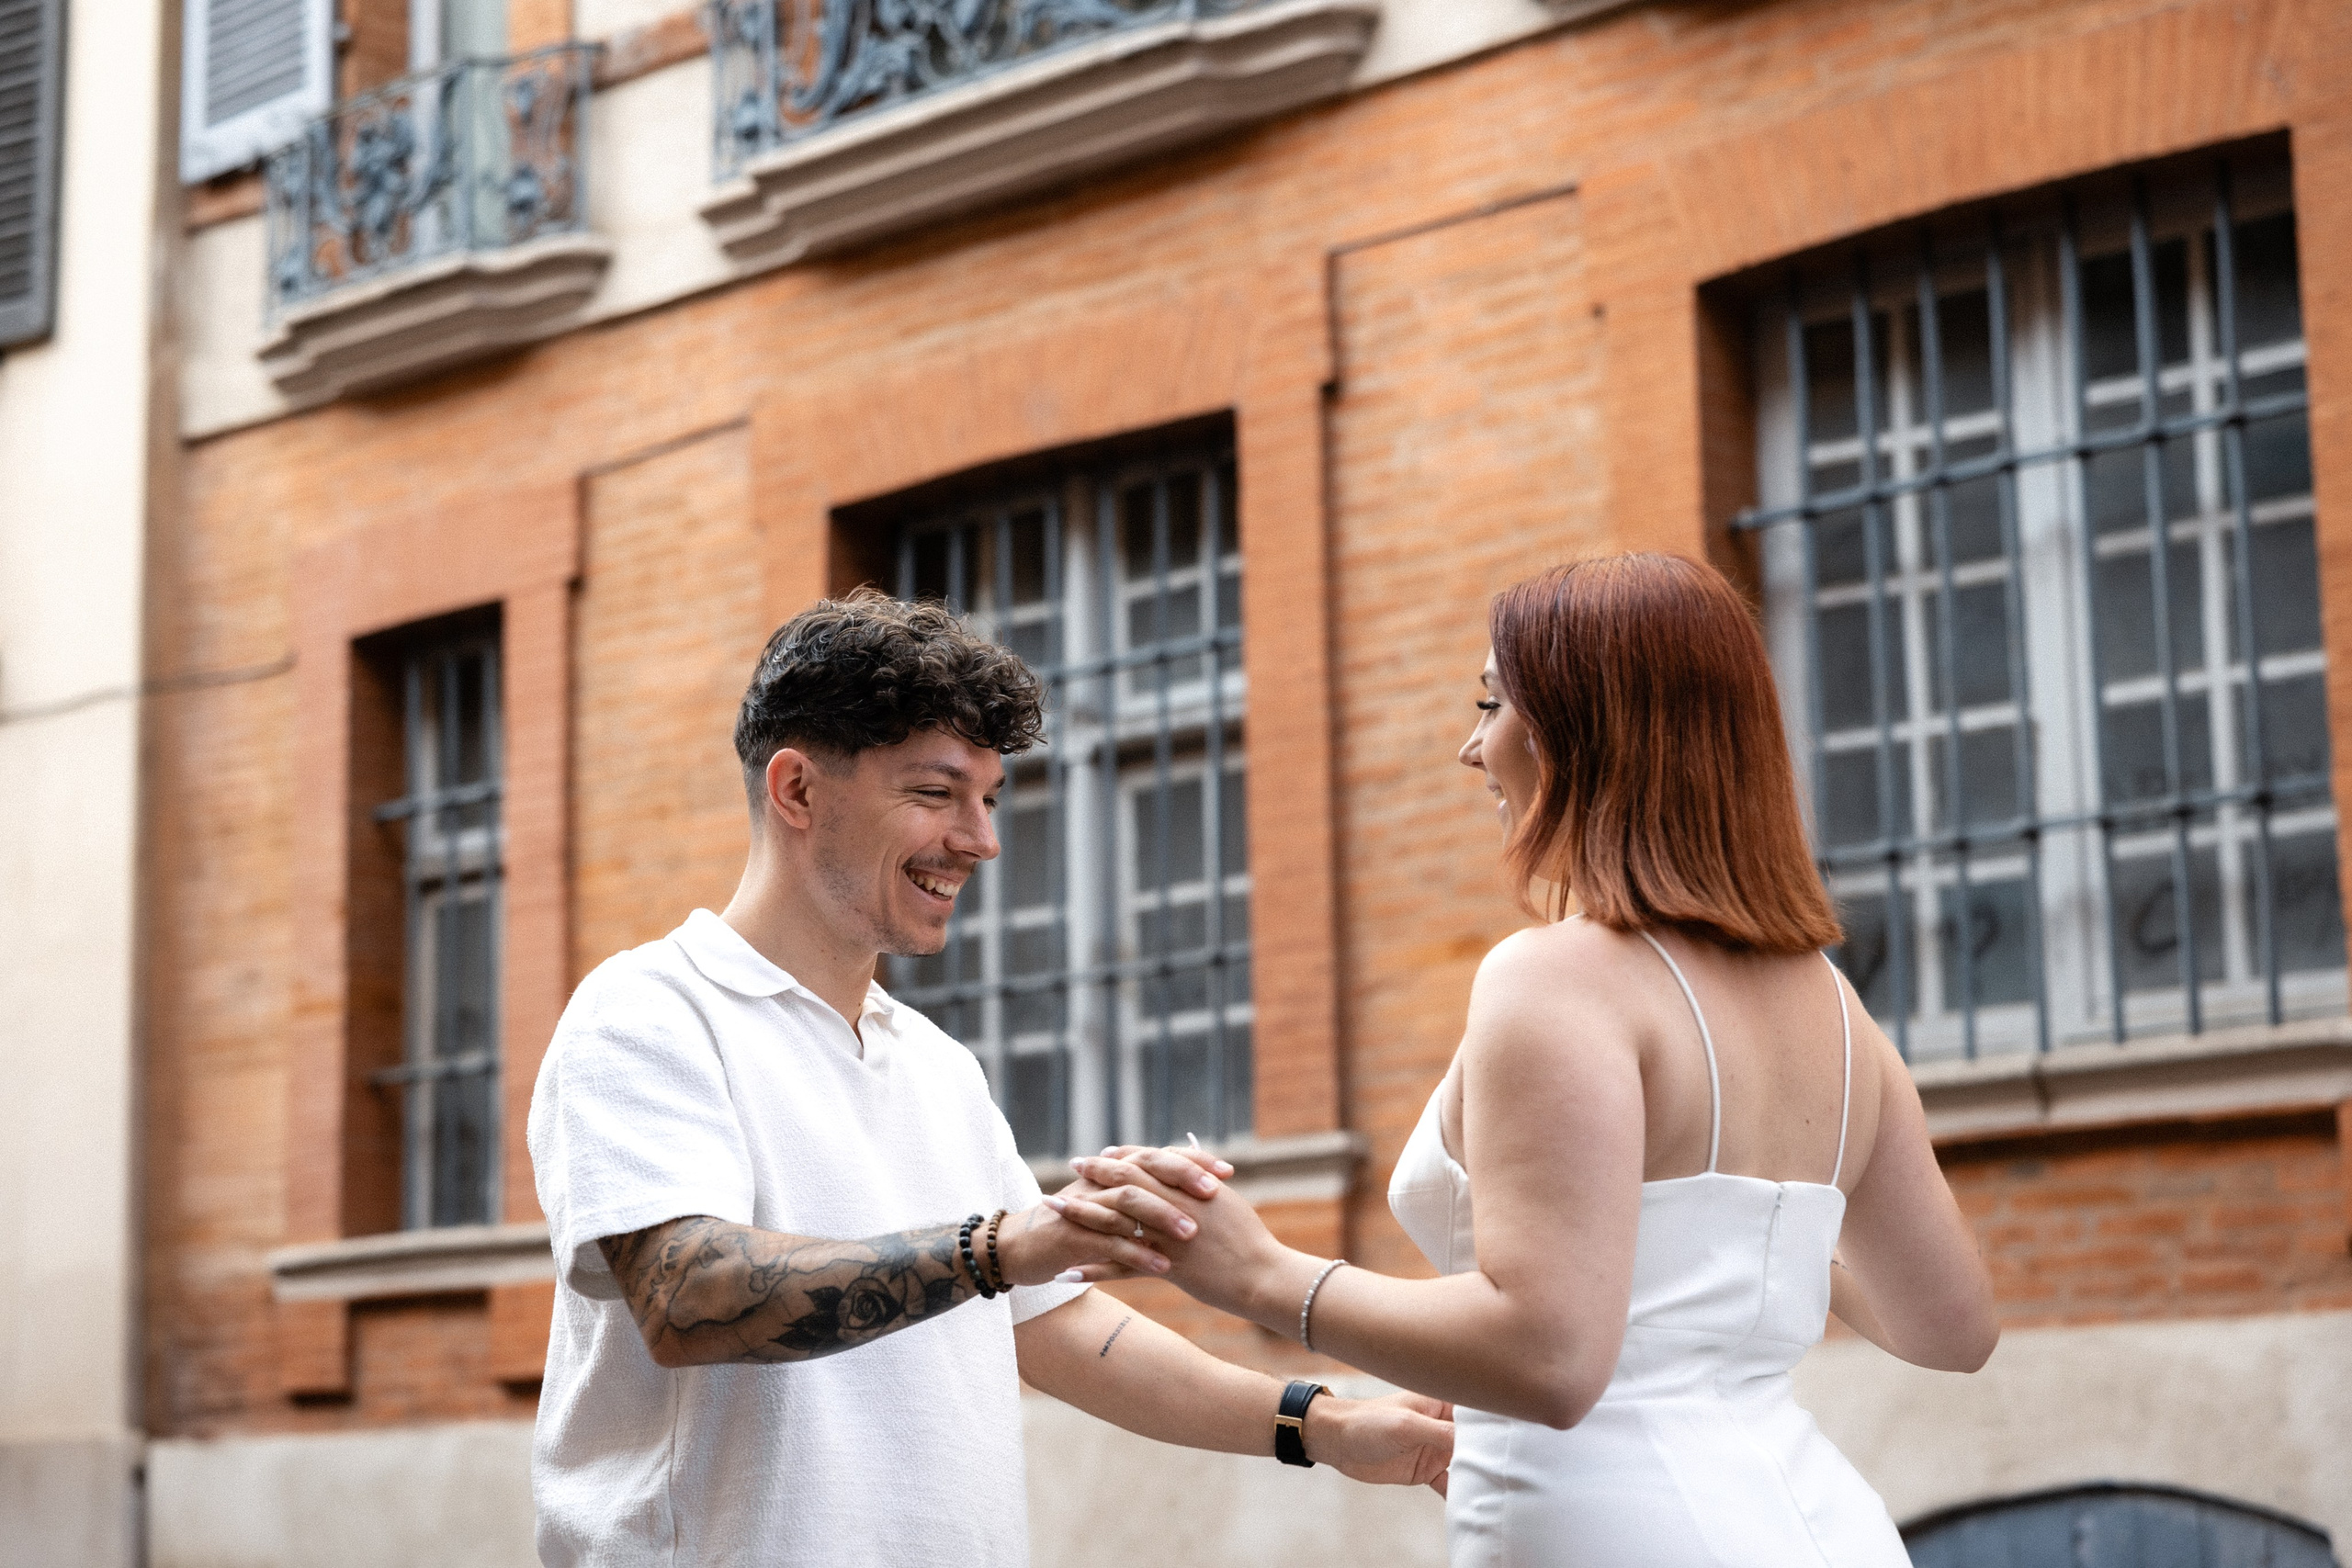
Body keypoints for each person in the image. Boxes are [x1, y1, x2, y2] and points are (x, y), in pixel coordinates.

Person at [1061, 554, 2001, 1565]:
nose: (1472, 749)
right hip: (1820, 1526)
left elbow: (1549, 1357)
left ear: (1581, 729)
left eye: (1491, 704)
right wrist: (1720, 1263)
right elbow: (1950, 1327)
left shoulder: (1554, 979)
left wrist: (1258, 1274)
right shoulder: (1833, 1008)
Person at [525, 590, 1453, 1568]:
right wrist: (999, 1246)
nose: (982, 839)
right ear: (796, 791)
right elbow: (687, 1296)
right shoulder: (648, 1011)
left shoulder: (935, 1065)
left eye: (990, 797)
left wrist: (1325, 1425)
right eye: (935, 793)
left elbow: (1054, 1329)